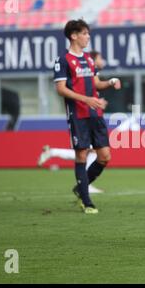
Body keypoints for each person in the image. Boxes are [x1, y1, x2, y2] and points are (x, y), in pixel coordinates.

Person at [53, 19, 121, 214]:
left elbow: (96, 83)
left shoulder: (89, 59)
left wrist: (110, 82)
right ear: (73, 36)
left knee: (105, 156)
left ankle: (80, 189)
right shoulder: (63, 60)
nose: (87, 37)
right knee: (82, 154)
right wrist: (86, 100)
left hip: (95, 113)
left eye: (88, 33)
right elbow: (60, 89)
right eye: (84, 33)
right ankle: (86, 200)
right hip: (78, 115)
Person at [39, 50, 111, 194]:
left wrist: (99, 102)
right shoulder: (80, 69)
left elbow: (94, 92)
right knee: (86, 152)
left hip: (93, 116)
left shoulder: (92, 77)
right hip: (82, 117)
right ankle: (85, 187)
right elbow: (66, 90)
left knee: (91, 153)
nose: (102, 61)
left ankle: (53, 152)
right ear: (93, 60)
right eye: (100, 58)